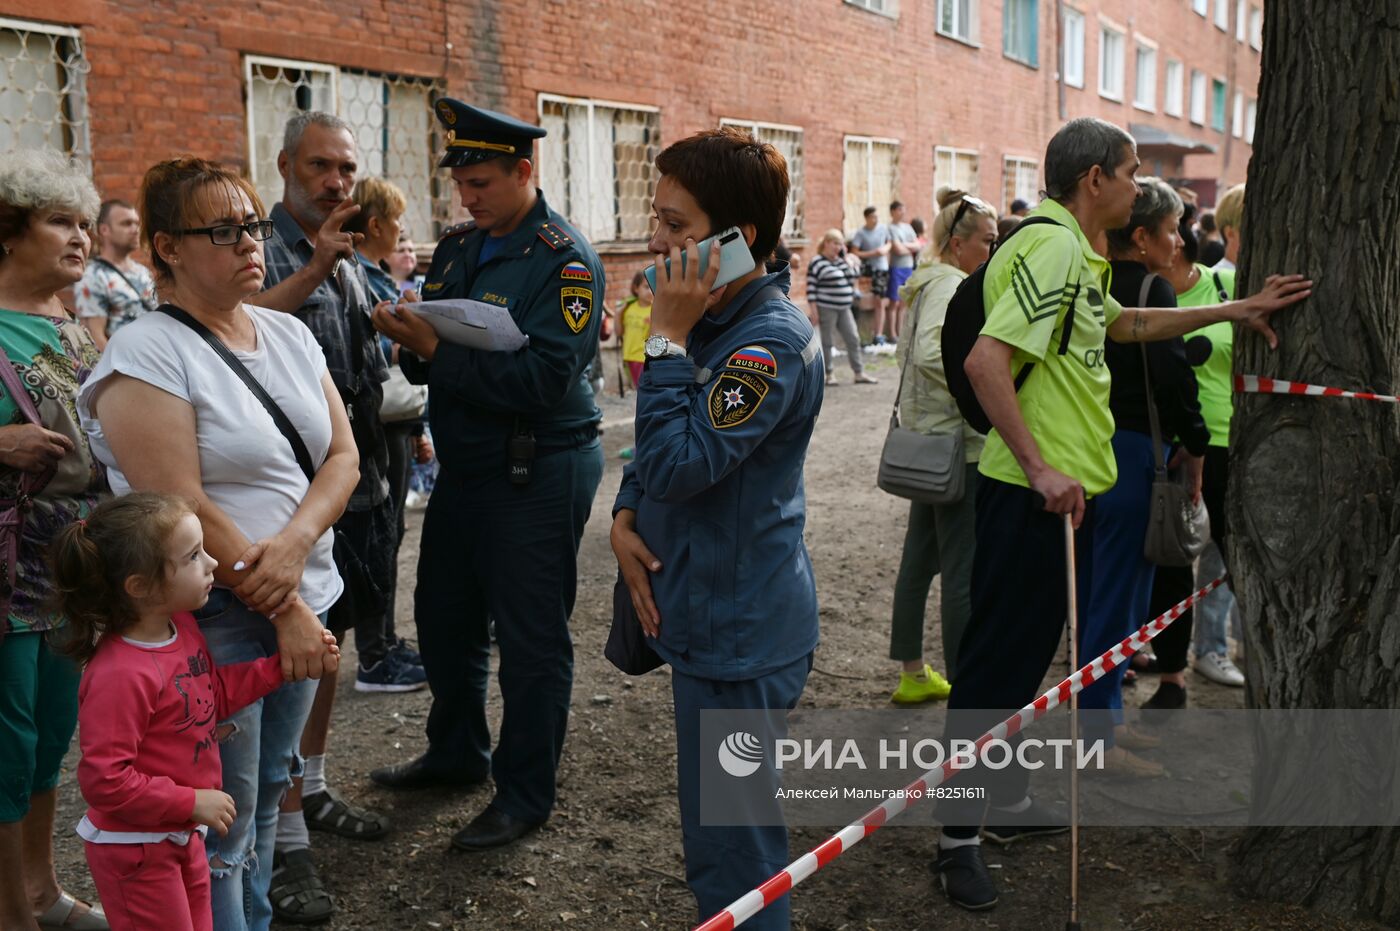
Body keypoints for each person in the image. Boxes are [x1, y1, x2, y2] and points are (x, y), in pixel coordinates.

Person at [932, 117, 1311, 912]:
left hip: (1055, 495)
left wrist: (1233, 309)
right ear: (1094, 178)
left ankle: (997, 804)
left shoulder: (1080, 250)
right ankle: (954, 839)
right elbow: (984, 360)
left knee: (1021, 657)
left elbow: (1126, 325)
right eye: (1133, 172)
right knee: (998, 665)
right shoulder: (1053, 245)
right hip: (1027, 492)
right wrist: (1040, 467)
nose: (1141, 187)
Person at [77, 156, 350, 931]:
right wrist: (287, 599)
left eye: (253, 225)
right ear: (165, 246)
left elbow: (344, 456)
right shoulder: (145, 353)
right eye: (223, 230)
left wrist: (296, 546)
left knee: (266, 795)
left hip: (296, 598)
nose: (249, 243)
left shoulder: (289, 332)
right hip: (219, 615)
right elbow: (181, 504)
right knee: (216, 823)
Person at [369, 100, 605, 854]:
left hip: (536, 464)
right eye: (461, 183)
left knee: (532, 640)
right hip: (469, 465)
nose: (467, 198)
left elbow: (540, 380)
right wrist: (409, 338)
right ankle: (458, 750)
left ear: (524, 171)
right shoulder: (459, 247)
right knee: (444, 616)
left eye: (481, 183)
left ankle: (525, 791)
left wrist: (438, 354)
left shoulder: (564, 261)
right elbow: (432, 350)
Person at [609, 126, 823, 931]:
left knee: (737, 856)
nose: (656, 240)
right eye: (655, 217)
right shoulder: (708, 311)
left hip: (740, 636)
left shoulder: (767, 344)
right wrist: (625, 514)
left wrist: (660, 338)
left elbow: (680, 462)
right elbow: (652, 456)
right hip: (705, 613)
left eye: (677, 226)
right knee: (716, 836)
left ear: (742, 241)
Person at [53, 493, 338, 931]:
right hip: (138, 848)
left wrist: (279, 669)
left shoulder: (179, 627)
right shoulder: (120, 674)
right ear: (139, 586)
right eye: (193, 556)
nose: (211, 564)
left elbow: (209, 696)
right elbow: (104, 780)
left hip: (180, 831)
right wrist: (190, 801)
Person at [0, 149, 109, 931]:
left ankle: (41, 892)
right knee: (5, 750)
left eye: (84, 222)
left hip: (69, 567)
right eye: (59, 220)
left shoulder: (74, 325)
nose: (81, 237)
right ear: (8, 231)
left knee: (48, 738)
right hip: (3, 575)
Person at [1078, 177, 1210, 778]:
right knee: (1116, 601)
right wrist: (1198, 443)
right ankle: (1099, 739)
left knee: (1114, 597)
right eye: (1171, 229)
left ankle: (1109, 720)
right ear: (1141, 236)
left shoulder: (1100, 282)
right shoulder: (1154, 290)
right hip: (1135, 457)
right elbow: (1174, 375)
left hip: (1098, 451)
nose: (1180, 242)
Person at [887, 188, 996, 704]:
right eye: (987, 242)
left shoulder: (928, 282)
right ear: (958, 244)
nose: (991, 253)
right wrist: (980, 389)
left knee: (919, 560)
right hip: (955, 448)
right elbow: (934, 353)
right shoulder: (952, 285)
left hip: (927, 446)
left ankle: (913, 672)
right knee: (959, 572)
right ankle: (967, 685)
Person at [348, 176, 430, 694]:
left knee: (392, 533)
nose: (403, 232)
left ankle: (386, 642)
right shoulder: (358, 276)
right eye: (397, 221)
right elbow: (359, 351)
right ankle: (374, 658)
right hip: (375, 424)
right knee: (380, 538)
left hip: (396, 423)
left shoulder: (372, 273)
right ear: (375, 224)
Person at [75, 200, 157, 351]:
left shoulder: (144, 272)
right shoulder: (93, 276)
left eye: (137, 223)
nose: (135, 229)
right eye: (126, 223)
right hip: (126, 368)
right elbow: (95, 336)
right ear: (104, 229)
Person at [806, 228, 876, 386]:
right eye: (836, 243)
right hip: (826, 307)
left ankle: (858, 372)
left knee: (853, 337)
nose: (839, 247)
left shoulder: (841, 261)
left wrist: (847, 259)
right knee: (827, 341)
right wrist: (813, 310)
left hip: (845, 307)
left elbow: (855, 275)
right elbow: (811, 288)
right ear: (827, 243)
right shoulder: (817, 261)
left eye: (841, 244)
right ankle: (828, 374)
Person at [850, 206, 891, 347]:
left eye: (877, 217)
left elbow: (889, 244)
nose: (876, 219)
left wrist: (884, 250)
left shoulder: (883, 229)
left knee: (880, 301)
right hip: (867, 269)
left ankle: (878, 334)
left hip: (882, 269)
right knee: (863, 300)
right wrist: (873, 253)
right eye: (873, 217)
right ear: (866, 218)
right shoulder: (861, 233)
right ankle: (863, 335)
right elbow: (855, 251)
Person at [886, 200, 919, 341]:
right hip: (896, 268)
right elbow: (897, 250)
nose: (902, 212)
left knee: (904, 302)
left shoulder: (908, 228)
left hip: (909, 267)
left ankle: (901, 333)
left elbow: (918, 245)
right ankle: (892, 334)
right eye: (900, 209)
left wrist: (905, 246)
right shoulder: (890, 228)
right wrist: (909, 247)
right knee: (894, 301)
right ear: (893, 211)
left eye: (903, 209)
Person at [617, 270, 652, 388]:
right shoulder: (628, 308)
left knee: (644, 390)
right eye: (646, 287)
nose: (650, 291)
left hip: (645, 358)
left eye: (652, 287)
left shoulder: (656, 310)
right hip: (629, 357)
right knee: (638, 390)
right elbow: (619, 332)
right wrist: (618, 313)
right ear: (636, 288)